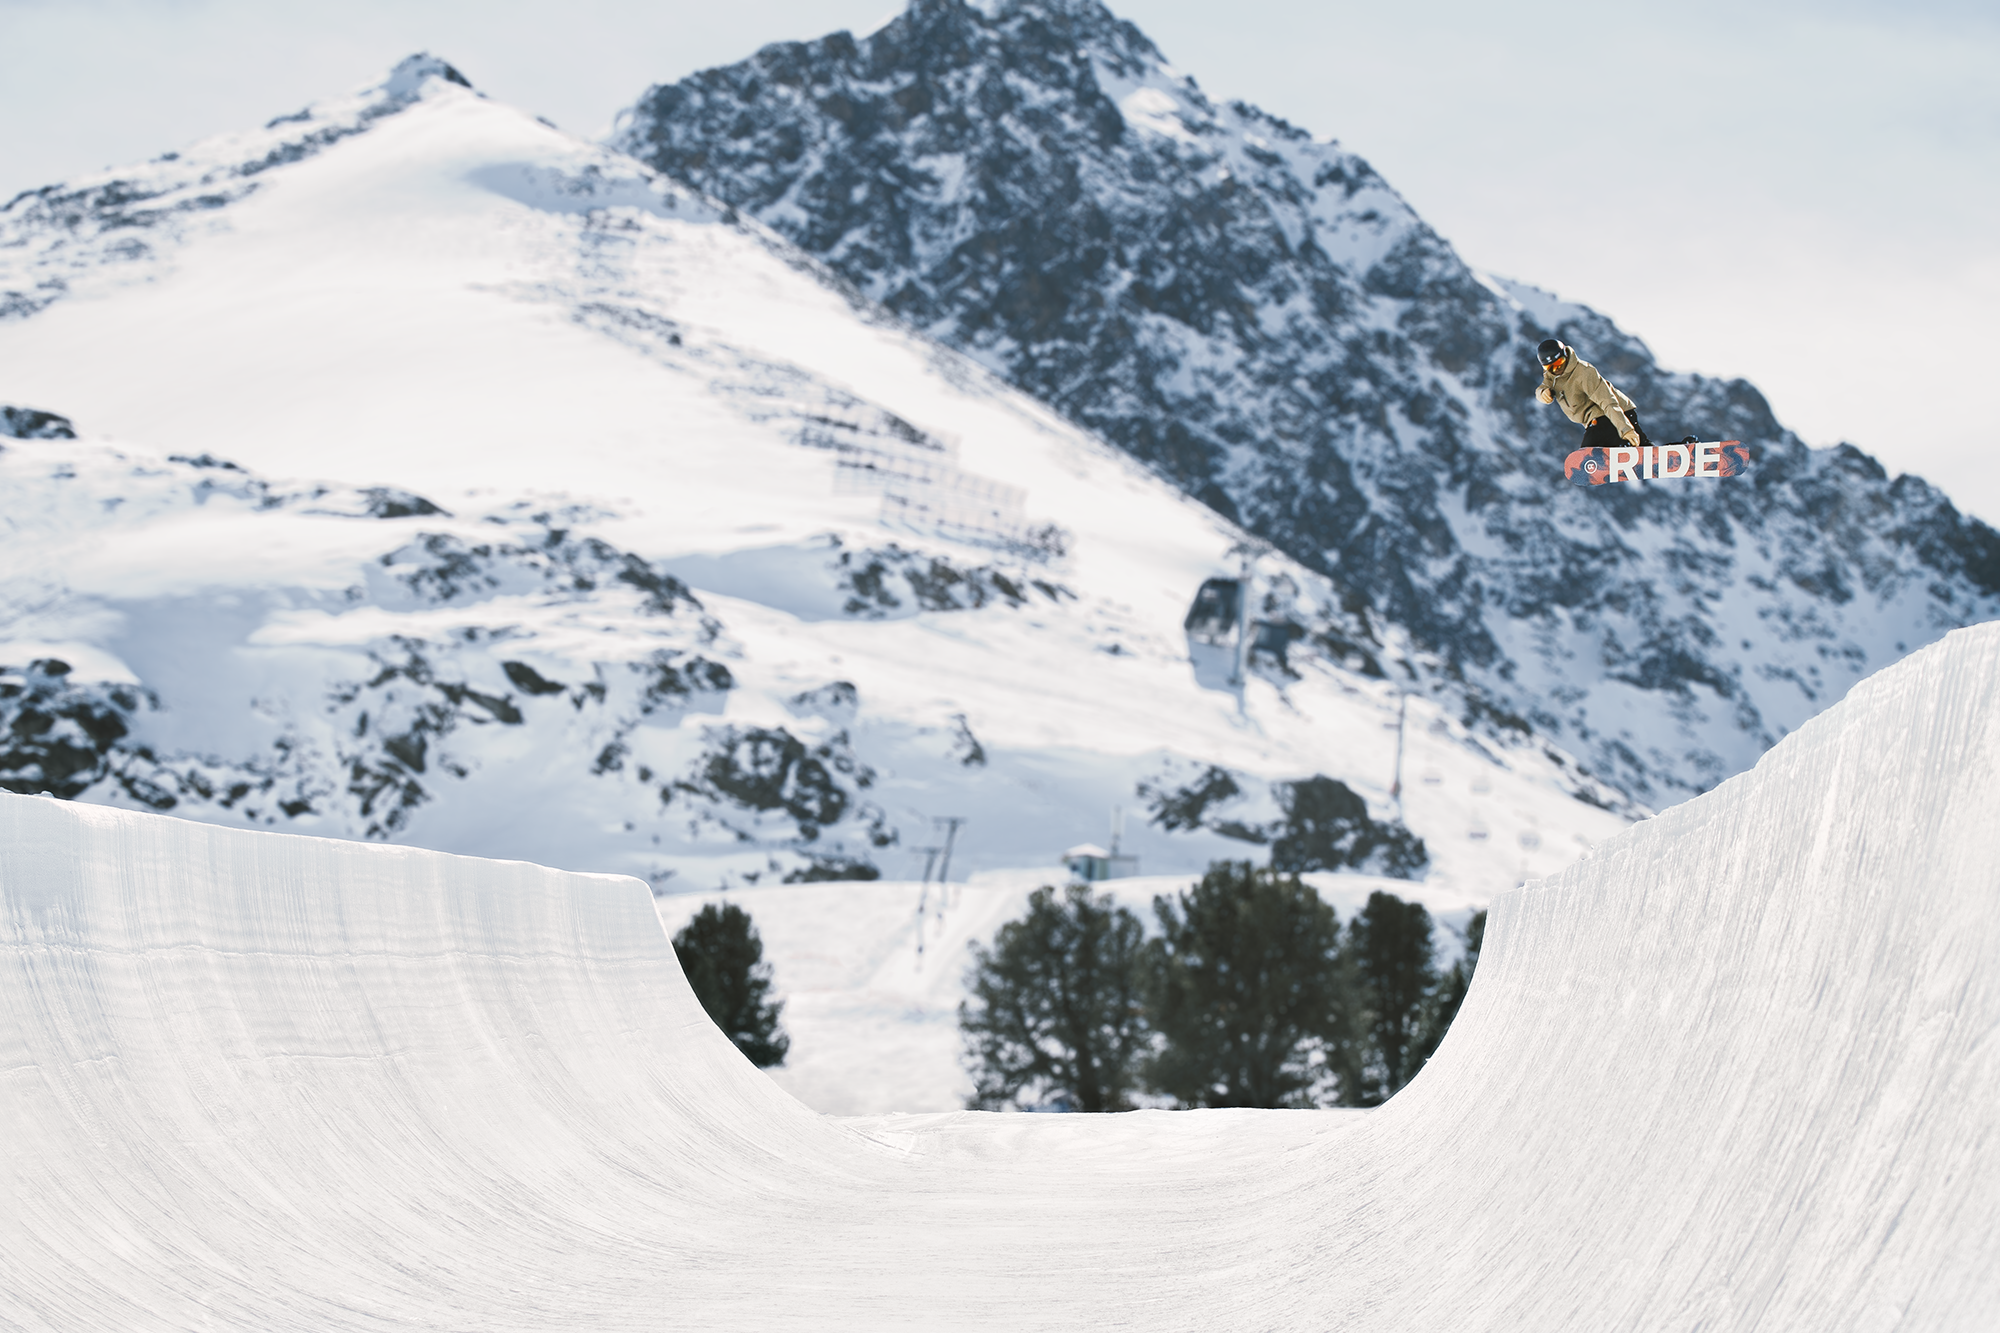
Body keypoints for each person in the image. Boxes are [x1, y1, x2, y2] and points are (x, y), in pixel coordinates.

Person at [1535, 339, 1650, 453]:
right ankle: (1655, 459)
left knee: (1588, 453)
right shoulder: (1552, 377)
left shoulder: (1584, 373)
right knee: (1641, 447)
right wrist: (1543, 394)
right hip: (1601, 419)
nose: (1557, 369)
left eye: (1559, 363)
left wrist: (1626, 429)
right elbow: (1543, 386)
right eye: (1550, 367)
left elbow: (1607, 402)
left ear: (1566, 355)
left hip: (1613, 415)